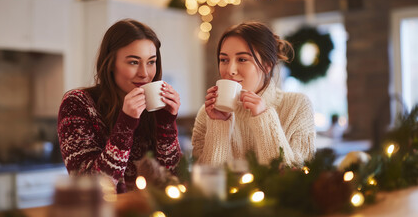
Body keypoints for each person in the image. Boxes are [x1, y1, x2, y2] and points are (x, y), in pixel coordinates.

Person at [57, 19, 182, 193]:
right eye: (133, 62)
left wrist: (166, 126)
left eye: (151, 62)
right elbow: (89, 189)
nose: (145, 73)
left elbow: (174, 183)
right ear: (110, 63)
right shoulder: (77, 104)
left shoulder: (154, 108)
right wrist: (125, 125)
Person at [192, 21, 316, 167]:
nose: (230, 70)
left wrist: (264, 118)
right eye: (224, 60)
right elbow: (205, 186)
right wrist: (219, 125)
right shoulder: (207, 114)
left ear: (267, 65)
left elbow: (294, 180)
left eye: (242, 59)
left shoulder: (297, 106)